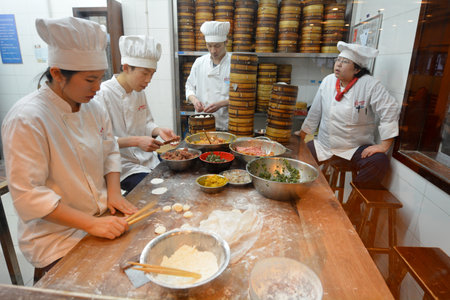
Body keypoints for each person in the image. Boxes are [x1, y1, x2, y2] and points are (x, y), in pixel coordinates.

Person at [1, 17, 137, 282]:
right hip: (56, 239)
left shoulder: (94, 108)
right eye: (89, 80)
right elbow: (29, 195)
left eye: (100, 78)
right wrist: (90, 224)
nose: (97, 88)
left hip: (100, 219)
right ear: (57, 74)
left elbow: (110, 150)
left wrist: (113, 193)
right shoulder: (28, 118)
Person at [296, 41, 401, 189]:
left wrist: (384, 145)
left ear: (357, 69)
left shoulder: (370, 85)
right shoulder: (328, 81)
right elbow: (315, 113)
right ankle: (305, 194)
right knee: (298, 159)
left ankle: (354, 200)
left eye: (344, 62)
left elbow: (390, 110)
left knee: (379, 161)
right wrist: (300, 136)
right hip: (325, 145)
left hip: (355, 148)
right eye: (337, 60)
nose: (338, 65)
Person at [95, 35, 178, 194]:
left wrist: (158, 130)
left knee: (177, 175)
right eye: (145, 73)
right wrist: (137, 141)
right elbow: (100, 141)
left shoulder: (138, 92)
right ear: (126, 67)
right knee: (160, 191)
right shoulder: (103, 95)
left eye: (152, 74)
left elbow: (146, 122)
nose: (148, 80)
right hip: (122, 166)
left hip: (147, 158)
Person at [185, 21, 231, 130]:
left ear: (226, 42)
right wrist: (195, 101)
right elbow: (189, 87)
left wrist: (221, 104)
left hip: (224, 124)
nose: (213, 50)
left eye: (217, 46)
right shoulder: (199, 62)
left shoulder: (234, 63)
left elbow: (242, 96)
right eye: (209, 46)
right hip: (201, 123)